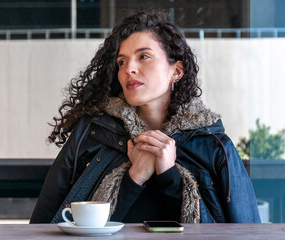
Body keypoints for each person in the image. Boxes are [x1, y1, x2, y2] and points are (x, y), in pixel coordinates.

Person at [30, 10, 260, 224]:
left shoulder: (214, 145)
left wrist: (170, 175)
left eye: (144, 57)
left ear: (177, 71)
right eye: (122, 61)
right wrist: (134, 177)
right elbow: (42, 225)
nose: (129, 68)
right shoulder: (90, 134)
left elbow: (247, 232)